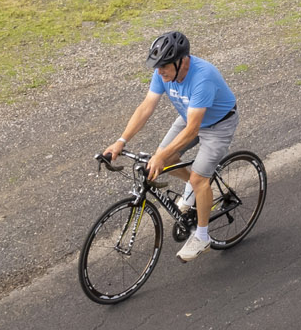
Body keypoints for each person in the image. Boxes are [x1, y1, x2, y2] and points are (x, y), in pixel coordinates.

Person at [101, 30, 240, 262]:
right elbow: (146, 107)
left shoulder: (202, 77)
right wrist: (121, 141)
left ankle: (202, 236)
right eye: (157, 66)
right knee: (165, 160)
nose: (159, 71)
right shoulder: (163, 73)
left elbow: (193, 130)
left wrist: (162, 156)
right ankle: (193, 191)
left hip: (218, 125)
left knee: (198, 179)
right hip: (189, 117)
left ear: (182, 60)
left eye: (164, 65)